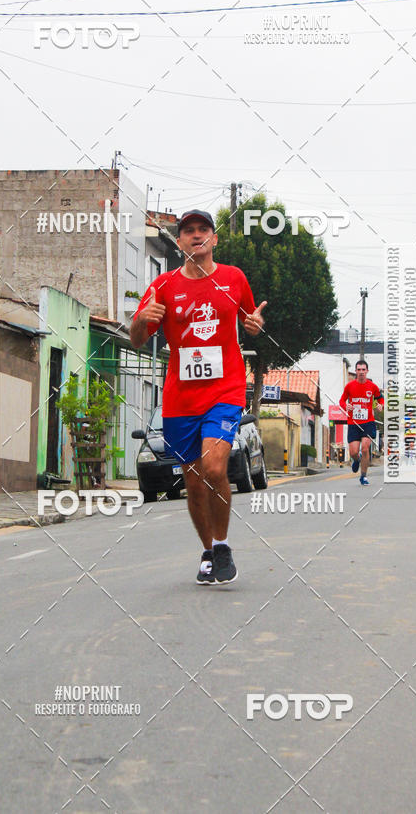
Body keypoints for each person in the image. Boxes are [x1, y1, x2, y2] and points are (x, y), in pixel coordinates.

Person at [130, 209, 266, 585]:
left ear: (214, 238)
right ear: (180, 242)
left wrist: (255, 325)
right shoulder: (164, 286)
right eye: (188, 231)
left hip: (225, 389)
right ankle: (208, 551)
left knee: (215, 469)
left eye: (203, 229)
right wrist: (142, 321)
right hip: (180, 398)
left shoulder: (233, 278)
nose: (196, 235)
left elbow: (249, 319)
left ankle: (222, 545)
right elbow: (137, 339)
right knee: (192, 482)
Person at [339, 360, 384, 486]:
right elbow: (342, 400)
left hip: (368, 422)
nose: (361, 372)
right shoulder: (349, 386)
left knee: (365, 449)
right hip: (353, 423)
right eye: (359, 370)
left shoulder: (372, 386)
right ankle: (356, 460)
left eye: (363, 370)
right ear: (356, 371)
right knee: (354, 452)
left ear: (367, 371)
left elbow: (380, 398)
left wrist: (381, 405)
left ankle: (363, 476)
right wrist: (345, 406)